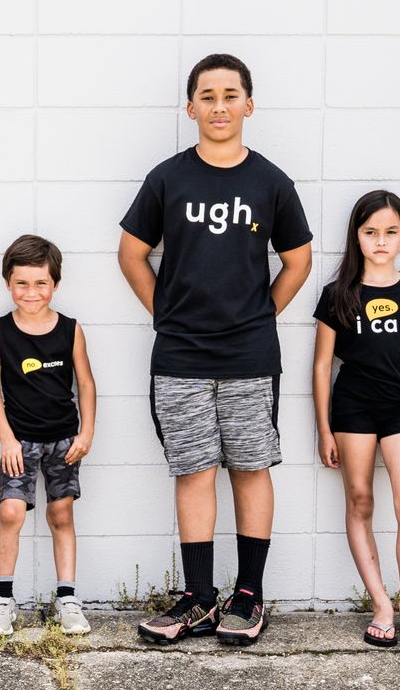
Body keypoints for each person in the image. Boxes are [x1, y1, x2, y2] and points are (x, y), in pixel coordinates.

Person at [119, 53, 312, 647]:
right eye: (207, 95)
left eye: (231, 95)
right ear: (190, 107)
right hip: (180, 356)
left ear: (249, 105)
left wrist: (258, 315)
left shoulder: (271, 181)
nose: (219, 106)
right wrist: (167, 315)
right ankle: (200, 598)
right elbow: (131, 253)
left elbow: (298, 259)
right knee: (195, 471)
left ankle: (248, 595)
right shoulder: (168, 179)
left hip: (249, 356)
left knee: (251, 468)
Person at [312, 192, 400, 647]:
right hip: (353, 411)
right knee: (361, 501)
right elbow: (322, 366)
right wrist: (324, 428)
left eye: (390, 232)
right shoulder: (338, 296)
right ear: (357, 236)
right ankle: (381, 604)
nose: (380, 241)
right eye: (370, 232)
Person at [0, 235, 97, 639]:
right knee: (11, 512)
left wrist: (87, 431)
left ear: (55, 284)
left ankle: (67, 598)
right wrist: (7, 439)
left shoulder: (70, 329)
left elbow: (85, 383)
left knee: (61, 515)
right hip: (21, 441)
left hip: (64, 440)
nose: (31, 293)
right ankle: (2, 599)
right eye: (22, 283)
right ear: (8, 284)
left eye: (40, 283)